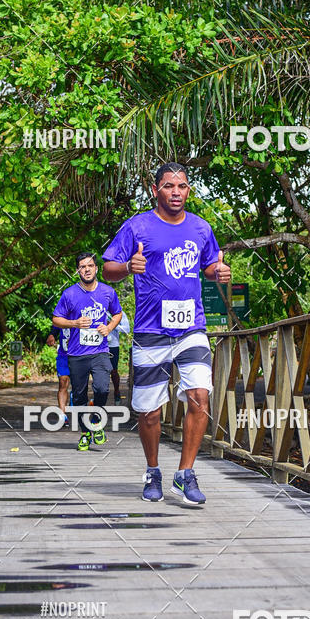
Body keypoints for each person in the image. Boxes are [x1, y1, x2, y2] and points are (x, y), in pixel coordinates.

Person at [102, 162, 231, 505]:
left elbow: (209, 264)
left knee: (200, 396)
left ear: (189, 190)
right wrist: (129, 266)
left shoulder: (201, 228)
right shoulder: (137, 226)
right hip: (150, 329)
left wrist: (218, 271)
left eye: (183, 186)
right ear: (156, 189)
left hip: (192, 327)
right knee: (150, 412)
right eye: (170, 186)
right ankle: (153, 470)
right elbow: (109, 268)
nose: (177, 192)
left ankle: (185, 474)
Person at [52, 252, 123, 451]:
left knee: (102, 389)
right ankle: (85, 432)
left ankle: (97, 424)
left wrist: (108, 328)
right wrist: (74, 323)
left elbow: (117, 313)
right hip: (76, 354)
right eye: (82, 266)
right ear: (78, 271)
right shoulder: (69, 294)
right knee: (80, 395)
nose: (87, 269)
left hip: (100, 351)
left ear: (96, 268)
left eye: (90, 265)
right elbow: (56, 319)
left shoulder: (108, 292)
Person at [45, 325, 71, 426]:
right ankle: (62, 415)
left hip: (80, 355)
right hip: (63, 355)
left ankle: (74, 398)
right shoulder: (62, 311)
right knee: (63, 383)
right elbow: (56, 326)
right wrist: (52, 335)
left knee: (80, 385)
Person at [107, 311, 131, 405]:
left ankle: (117, 392)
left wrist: (112, 325)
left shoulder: (119, 312)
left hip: (113, 345)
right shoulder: (96, 310)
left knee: (113, 371)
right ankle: (100, 395)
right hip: (98, 346)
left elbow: (127, 329)